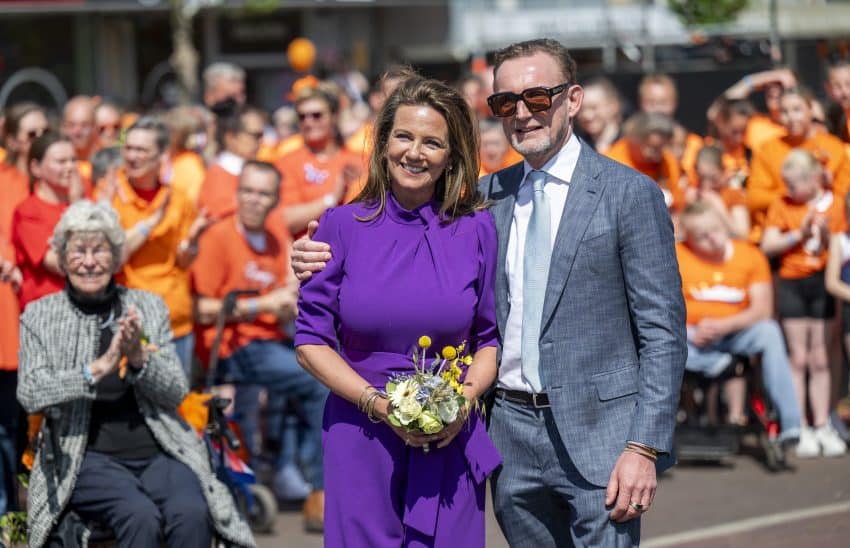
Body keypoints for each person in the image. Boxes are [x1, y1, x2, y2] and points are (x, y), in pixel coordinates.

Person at [293, 38, 687, 547]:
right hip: (507, 439)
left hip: (597, 440)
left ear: (572, 99)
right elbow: (332, 305)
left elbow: (663, 332)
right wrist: (304, 255)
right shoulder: (488, 200)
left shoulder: (626, 194)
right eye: (506, 103)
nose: (522, 113)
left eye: (537, 98)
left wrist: (644, 446)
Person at [294, 74, 502, 547]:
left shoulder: (477, 229)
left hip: (449, 436)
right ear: (383, 142)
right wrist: (379, 406)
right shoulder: (340, 225)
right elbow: (310, 342)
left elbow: (488, 339)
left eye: (432, 142)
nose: (415, 152)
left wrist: (462, 402)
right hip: (360, 431)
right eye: (404, 136)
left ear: (452, 156)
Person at [16, 200, 255, 548]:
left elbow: (175, 391)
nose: (89, 261)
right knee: (139, 516)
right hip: (84, 456)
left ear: (115, 257)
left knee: (191, 512)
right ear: (63, 258)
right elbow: (30, 392)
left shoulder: (146, 306)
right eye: (78, 250)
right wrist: (95, 369)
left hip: (159, 449)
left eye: (100, 250)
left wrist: (140, 358)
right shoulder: (40, 315)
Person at [191, 160, 328, 531]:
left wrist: (288, 300)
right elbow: (201, 309)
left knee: (330, 363)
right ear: (237, 193)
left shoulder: (272, 238)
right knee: (318, 383)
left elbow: (285, 288)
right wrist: (261, 306)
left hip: (271, 341)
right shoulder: (218, 237)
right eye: (248, 191)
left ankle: (299, 476)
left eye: (263, 193)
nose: (254, 200)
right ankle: (320, 490)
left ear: (275, 200)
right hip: (232, 347)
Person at [677, 201, 801, 440]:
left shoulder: (749, 255)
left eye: (716, 229)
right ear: (689, 238)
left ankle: (791, 424)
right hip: (689, 339)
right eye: (702, 236)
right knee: (659, 338)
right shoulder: (677, 256)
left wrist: (723, 326)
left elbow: (762, 309)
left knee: (769, 331)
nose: (713, 238)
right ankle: (708, 362)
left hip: (734, 335)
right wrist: (689, 331)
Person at [760, 149, 848, 458]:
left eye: (794, 184)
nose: (789, 190)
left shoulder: (834, 204)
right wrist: (799, 233)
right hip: (793, 282)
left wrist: (824, 236)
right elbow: (768, 245)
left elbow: (840, 245)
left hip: (823, 282)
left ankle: (822, 422)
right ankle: (800, 423)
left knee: (821, 357)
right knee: (798, 357)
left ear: (813, 179)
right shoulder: (782, 205)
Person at [105, 117, 209, 373]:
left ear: (161, 155)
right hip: (129, 320)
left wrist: (192, 243)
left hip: (174, 318)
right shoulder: (110, 192)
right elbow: (112, 257)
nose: (132, 156)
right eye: (128, 148)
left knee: (174, 404)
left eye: (141, 150)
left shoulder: (178, 199)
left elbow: (183, 260)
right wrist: (150, 223)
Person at [275, 84, 365, 237]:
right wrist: (331, 200)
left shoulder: (360, 160)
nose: (308, 123)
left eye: (316, 115)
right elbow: (284, 221)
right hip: (307, 254)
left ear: (334, 116)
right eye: (302, 117)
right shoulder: (287, 162)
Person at [605, 111, 685, 211]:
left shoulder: (667, 160)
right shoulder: (612, 162)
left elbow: (679, 200)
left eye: (663, 147)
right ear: (634, 140)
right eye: (653, 148)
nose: (658, 155)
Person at [576, 76, 622, 154]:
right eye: (581, 109)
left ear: (613, 106)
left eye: (593, 108)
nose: (586, 115)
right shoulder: (576, 146)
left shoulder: (630, 145)